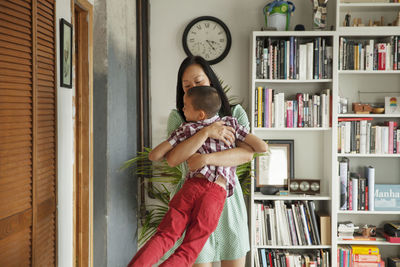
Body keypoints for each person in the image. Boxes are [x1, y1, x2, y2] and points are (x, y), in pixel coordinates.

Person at [128, 86, 267, 267]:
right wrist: (237, 135)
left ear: (200, 114)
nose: (182, 109)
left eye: (186, 106)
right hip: (215, 193)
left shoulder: (186, 129)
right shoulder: (230, 125)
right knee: (189, 250)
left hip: (191, 188)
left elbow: (154, 155)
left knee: (165, 235)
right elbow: (261, 147)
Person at [164, 56, 257, 267]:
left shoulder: (234, 114)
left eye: (198, 82)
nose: (192, 88)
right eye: (186, 86)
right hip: (192, 201)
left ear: (211, 81)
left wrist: (206, 158)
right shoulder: (178, 118)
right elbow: (176, 160)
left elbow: (246, 155)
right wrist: (207, 131)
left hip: (228, 201)